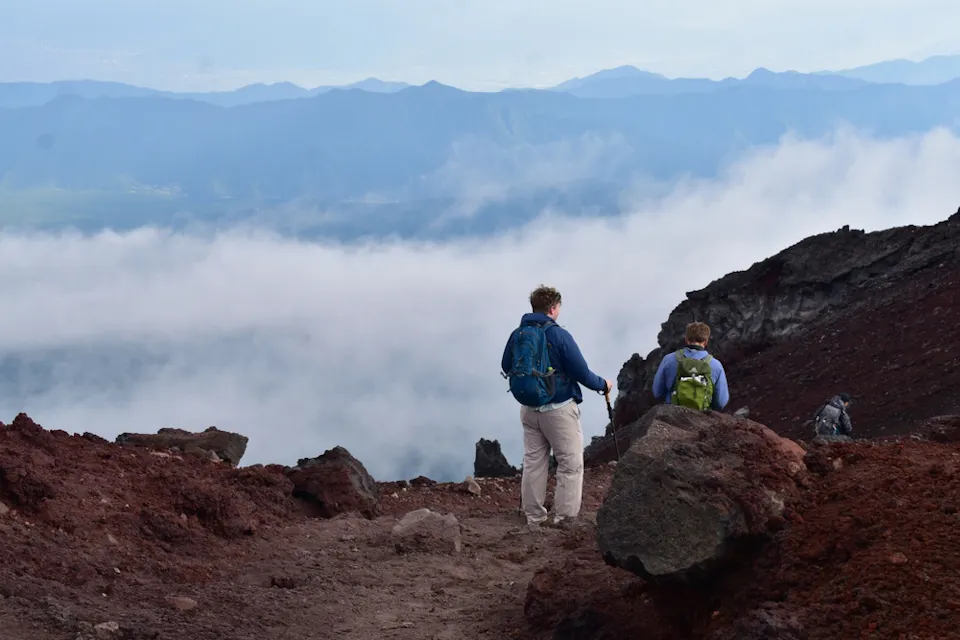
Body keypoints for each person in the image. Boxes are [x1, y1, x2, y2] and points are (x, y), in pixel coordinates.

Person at [501, 285, 612, 529]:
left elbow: (506, 364)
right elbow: (581, 372)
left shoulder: (519, 333)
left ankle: (534, 519)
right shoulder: (560, 335)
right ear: (553, 308)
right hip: (559, 409)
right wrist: (602, 385)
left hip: (528, 408)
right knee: (570, 465)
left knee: (533, 462)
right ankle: (564, 521)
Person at [651, 321, 730, 411]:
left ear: (686, 339)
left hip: (673, 413)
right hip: (702, 417)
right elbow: (721, 402)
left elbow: (657, 392)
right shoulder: (716, 365)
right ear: (706, 341)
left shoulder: (668, 359)